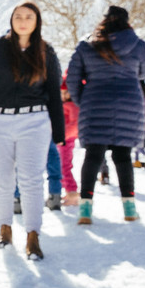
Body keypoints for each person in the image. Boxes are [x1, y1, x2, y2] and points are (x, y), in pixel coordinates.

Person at [0, 2, 64, 260]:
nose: (22, 21)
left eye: (29, 17)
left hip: (35, 122)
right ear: (11, 20)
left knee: (31, 179)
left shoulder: (45, 51)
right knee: (1, 180)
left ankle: (33, 236)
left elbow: (54, 91)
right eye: (18, 16)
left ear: (37, 21)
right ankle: (5, 228)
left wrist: (59, 131)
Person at [65, 5, 145, 224]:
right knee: (122, 156)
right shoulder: (137, 44)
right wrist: (130, 73)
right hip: (129, 103)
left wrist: (82, 100)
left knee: (93, 155)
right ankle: (129, 209)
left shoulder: (87, 45)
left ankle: (85, 209)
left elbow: (72, 79)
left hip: (95, 102)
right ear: (127, 22)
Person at [59, 76, 81, 206]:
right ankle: (69, 191)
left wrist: (62, 135)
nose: (62, 95)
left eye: (65, 92)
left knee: (64, 166)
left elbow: (75, 124)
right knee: (62, 165)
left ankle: (72, 192)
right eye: (61, 92)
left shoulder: (72, 105)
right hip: (61, 140)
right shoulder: (66, 104)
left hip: (66, 140)